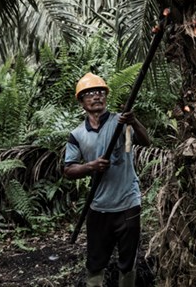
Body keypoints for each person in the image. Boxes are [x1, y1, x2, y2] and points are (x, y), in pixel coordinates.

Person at [64, 73, 150, 287]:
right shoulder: (77, 134)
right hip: (99, 206)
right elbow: (69, 169)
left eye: (100, 92)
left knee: (128, 262)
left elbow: (145, 141)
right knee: (95, 262)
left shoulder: (121, 121)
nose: (97, 96)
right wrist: (91, 166)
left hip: (128, 203)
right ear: (81, 101)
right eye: (90, 93)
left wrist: (134, 121)